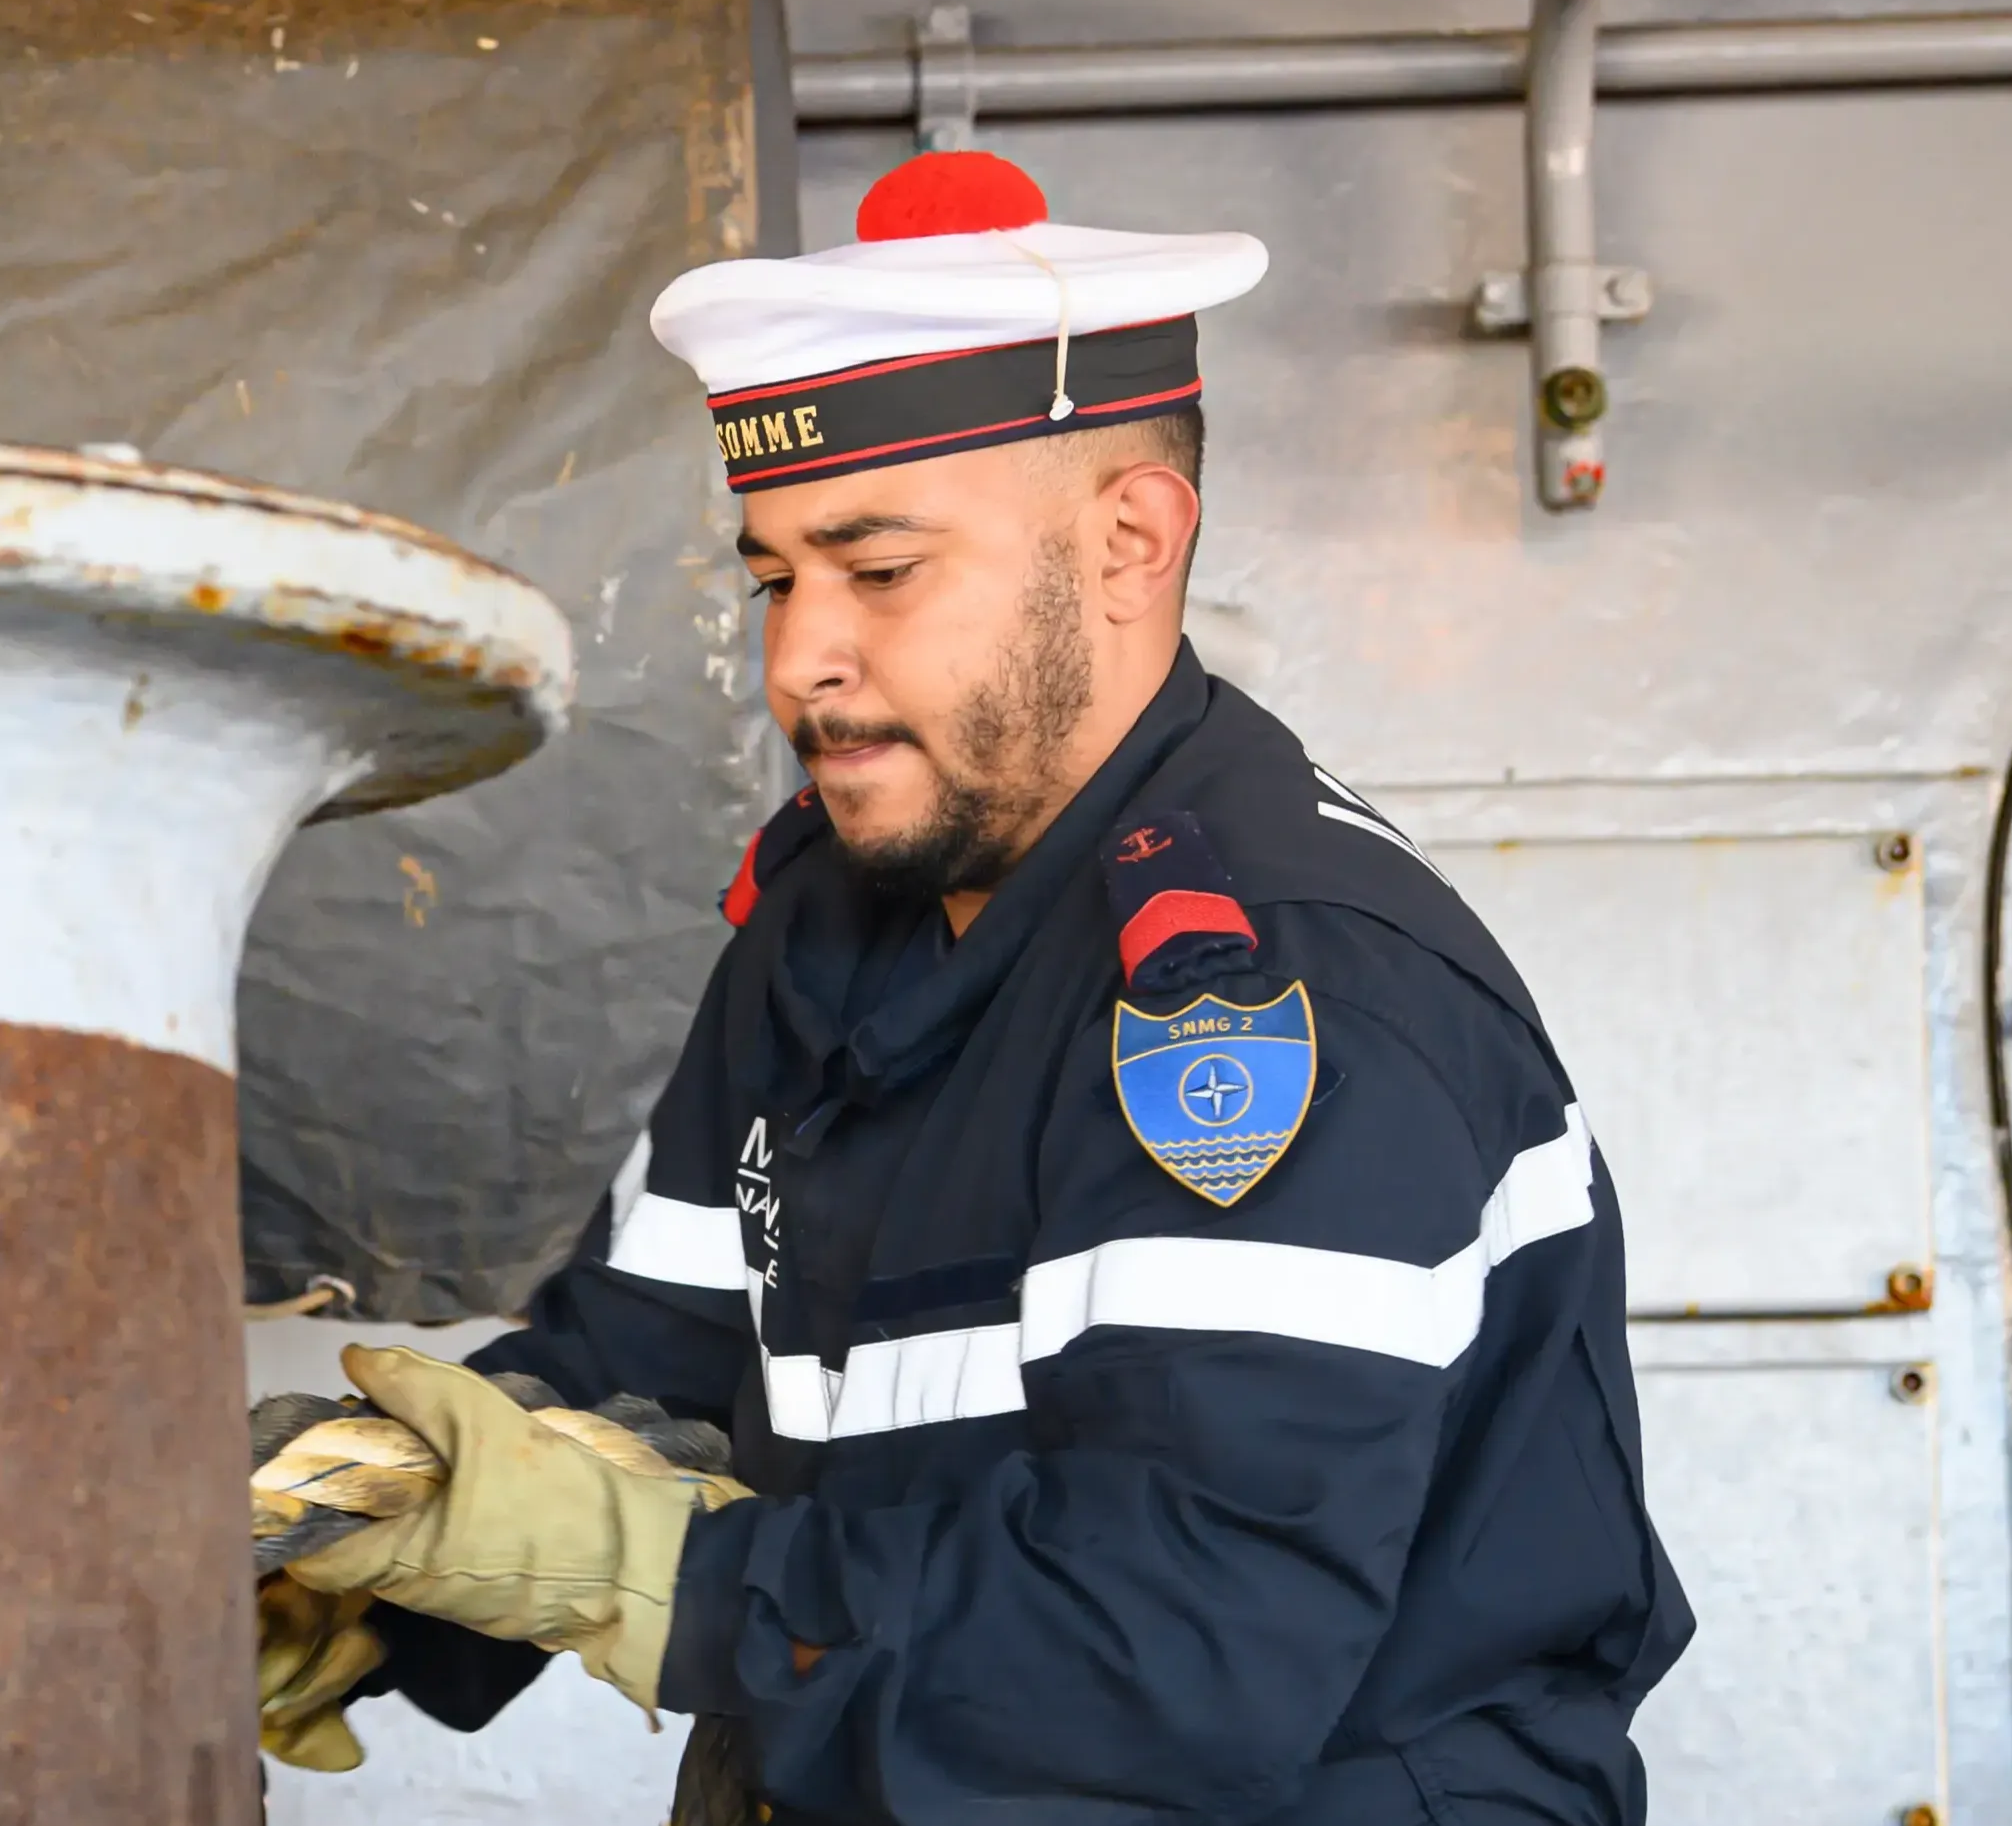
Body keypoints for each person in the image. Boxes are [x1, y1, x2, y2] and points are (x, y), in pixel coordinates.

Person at [255, 149, 1691, 1825]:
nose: (798, 659)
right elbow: (659, 1354)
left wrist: (646, 1575)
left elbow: (1166, 1657)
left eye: (880, 571)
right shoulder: (828, 921)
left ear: (1130, 544)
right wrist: (384, 1561)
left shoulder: (1265, 988)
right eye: (773, 577)